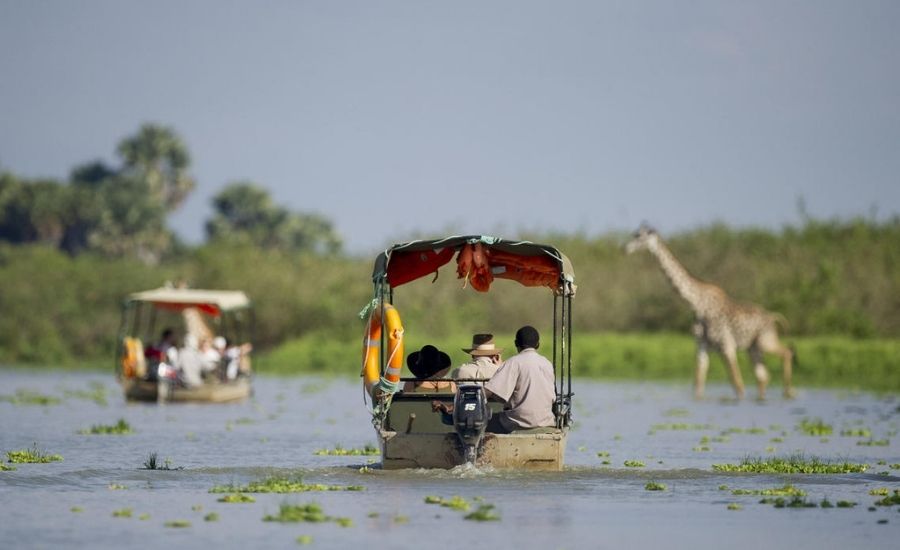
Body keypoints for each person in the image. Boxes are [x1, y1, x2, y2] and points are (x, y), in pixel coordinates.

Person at [435, 326, 556, 433]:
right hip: (546, 421)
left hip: (517, 422)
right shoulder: (547, 364)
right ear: (538, 344)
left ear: (516, 343)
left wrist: (452, 406)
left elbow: (486, 393)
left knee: (475, 422)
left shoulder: (513, 363)